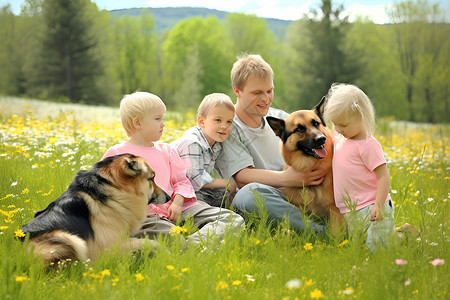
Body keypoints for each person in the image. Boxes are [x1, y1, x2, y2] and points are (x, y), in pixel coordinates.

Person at [102, 91, 244, 245]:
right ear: (138, 123)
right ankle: (188, 247)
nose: (163, 124)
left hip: (179, 207)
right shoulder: (117, 154)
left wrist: (177, 202)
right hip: (145, 216)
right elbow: (103, 188)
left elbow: (182, 182)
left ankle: (191, 246)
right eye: (158, 119)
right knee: (174, 240)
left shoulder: (167, 151)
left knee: (232, 219)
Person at [215, 54, 329, 232]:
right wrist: (288, 178)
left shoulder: (282, 118)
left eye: (269, 91)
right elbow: (242, 177)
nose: (266, 98)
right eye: (257, 93)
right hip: (271, 195)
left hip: (302, 192)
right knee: (248, 195)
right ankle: (320, 232)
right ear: (237, 91)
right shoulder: (228, 126)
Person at [323, 83, 395, 250]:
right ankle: (401, 234)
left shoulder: (368, 145)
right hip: (352, 210)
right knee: (361, 247)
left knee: (378, 249)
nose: (338, 130)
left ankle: (405, 237)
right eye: (335, 124)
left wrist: (379, 204)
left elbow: (383, 176)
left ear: (361, 117)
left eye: (344, 125)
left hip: (372, 207)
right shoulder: (341, 139)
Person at [171, 93, 237, 208]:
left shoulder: (214, 143)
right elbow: (195, 178)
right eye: (218, 120)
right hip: (177, 192)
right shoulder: (193, 143)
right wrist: (227, 183)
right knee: (202, 202)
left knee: (229, 197)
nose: (224, 126)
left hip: (194, 189)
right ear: (202, 122)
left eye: (229, 122)